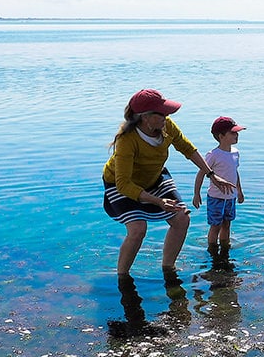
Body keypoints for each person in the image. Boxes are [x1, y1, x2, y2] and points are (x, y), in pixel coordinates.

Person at [103, 89, 234, 275]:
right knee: (138, 229)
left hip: (154, 178)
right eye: (162, 113)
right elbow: (123, 183)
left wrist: (211, 174)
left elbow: (188, 149)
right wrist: (158, 202)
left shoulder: (167, 126)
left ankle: (168, 268)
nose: (168, 115)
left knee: (182, 218)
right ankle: (122, 277)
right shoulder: (127, 140)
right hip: (122, 184)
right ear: (145, 117)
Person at [192, 116, 245, 253]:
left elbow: (235, 172)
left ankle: (225, 247)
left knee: (227, 224)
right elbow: (201, 173)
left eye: (237, 132)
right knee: (215, 225)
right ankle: (213, 249)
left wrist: (239, 190)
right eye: (233, 133)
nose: (236, 135)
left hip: (231, 196)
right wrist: (196, 194)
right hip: (216, 197)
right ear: (221, 136)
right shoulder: (213, 154)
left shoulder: (236, 153)